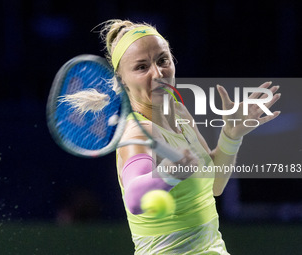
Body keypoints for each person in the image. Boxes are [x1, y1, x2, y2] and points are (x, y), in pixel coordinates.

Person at [73, 19, 281, 254]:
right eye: (141, 67)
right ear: (122, 79)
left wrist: (230, 136)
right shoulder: (136, 134)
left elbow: (214, 185)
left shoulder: (179, 111)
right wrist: (171, 172)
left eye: (163, 60)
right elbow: (134, 197)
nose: (158, 73)